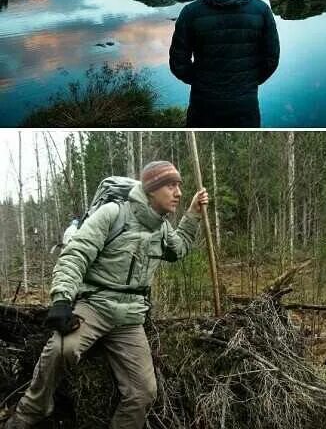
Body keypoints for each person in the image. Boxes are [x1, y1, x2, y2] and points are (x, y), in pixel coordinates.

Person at [4, 162, 207, 429]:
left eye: (179, 186)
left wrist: (192, 215)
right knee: (62, 350)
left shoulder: (161, 226)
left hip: (131, 318)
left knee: (144, 392)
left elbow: (178, 250)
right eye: (171, 186)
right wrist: (63, 299)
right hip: (95, 305)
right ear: (150, 191)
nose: (179, 192)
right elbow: (76, 254)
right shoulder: (113, 214)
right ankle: (33, 409)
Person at [170, 0, 280, 128]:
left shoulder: (191, 12)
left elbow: (178, 64)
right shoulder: (261, 10)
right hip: (245, 105)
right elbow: (271, 59)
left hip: (203, 104)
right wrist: (248, 82)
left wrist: (201, 82)